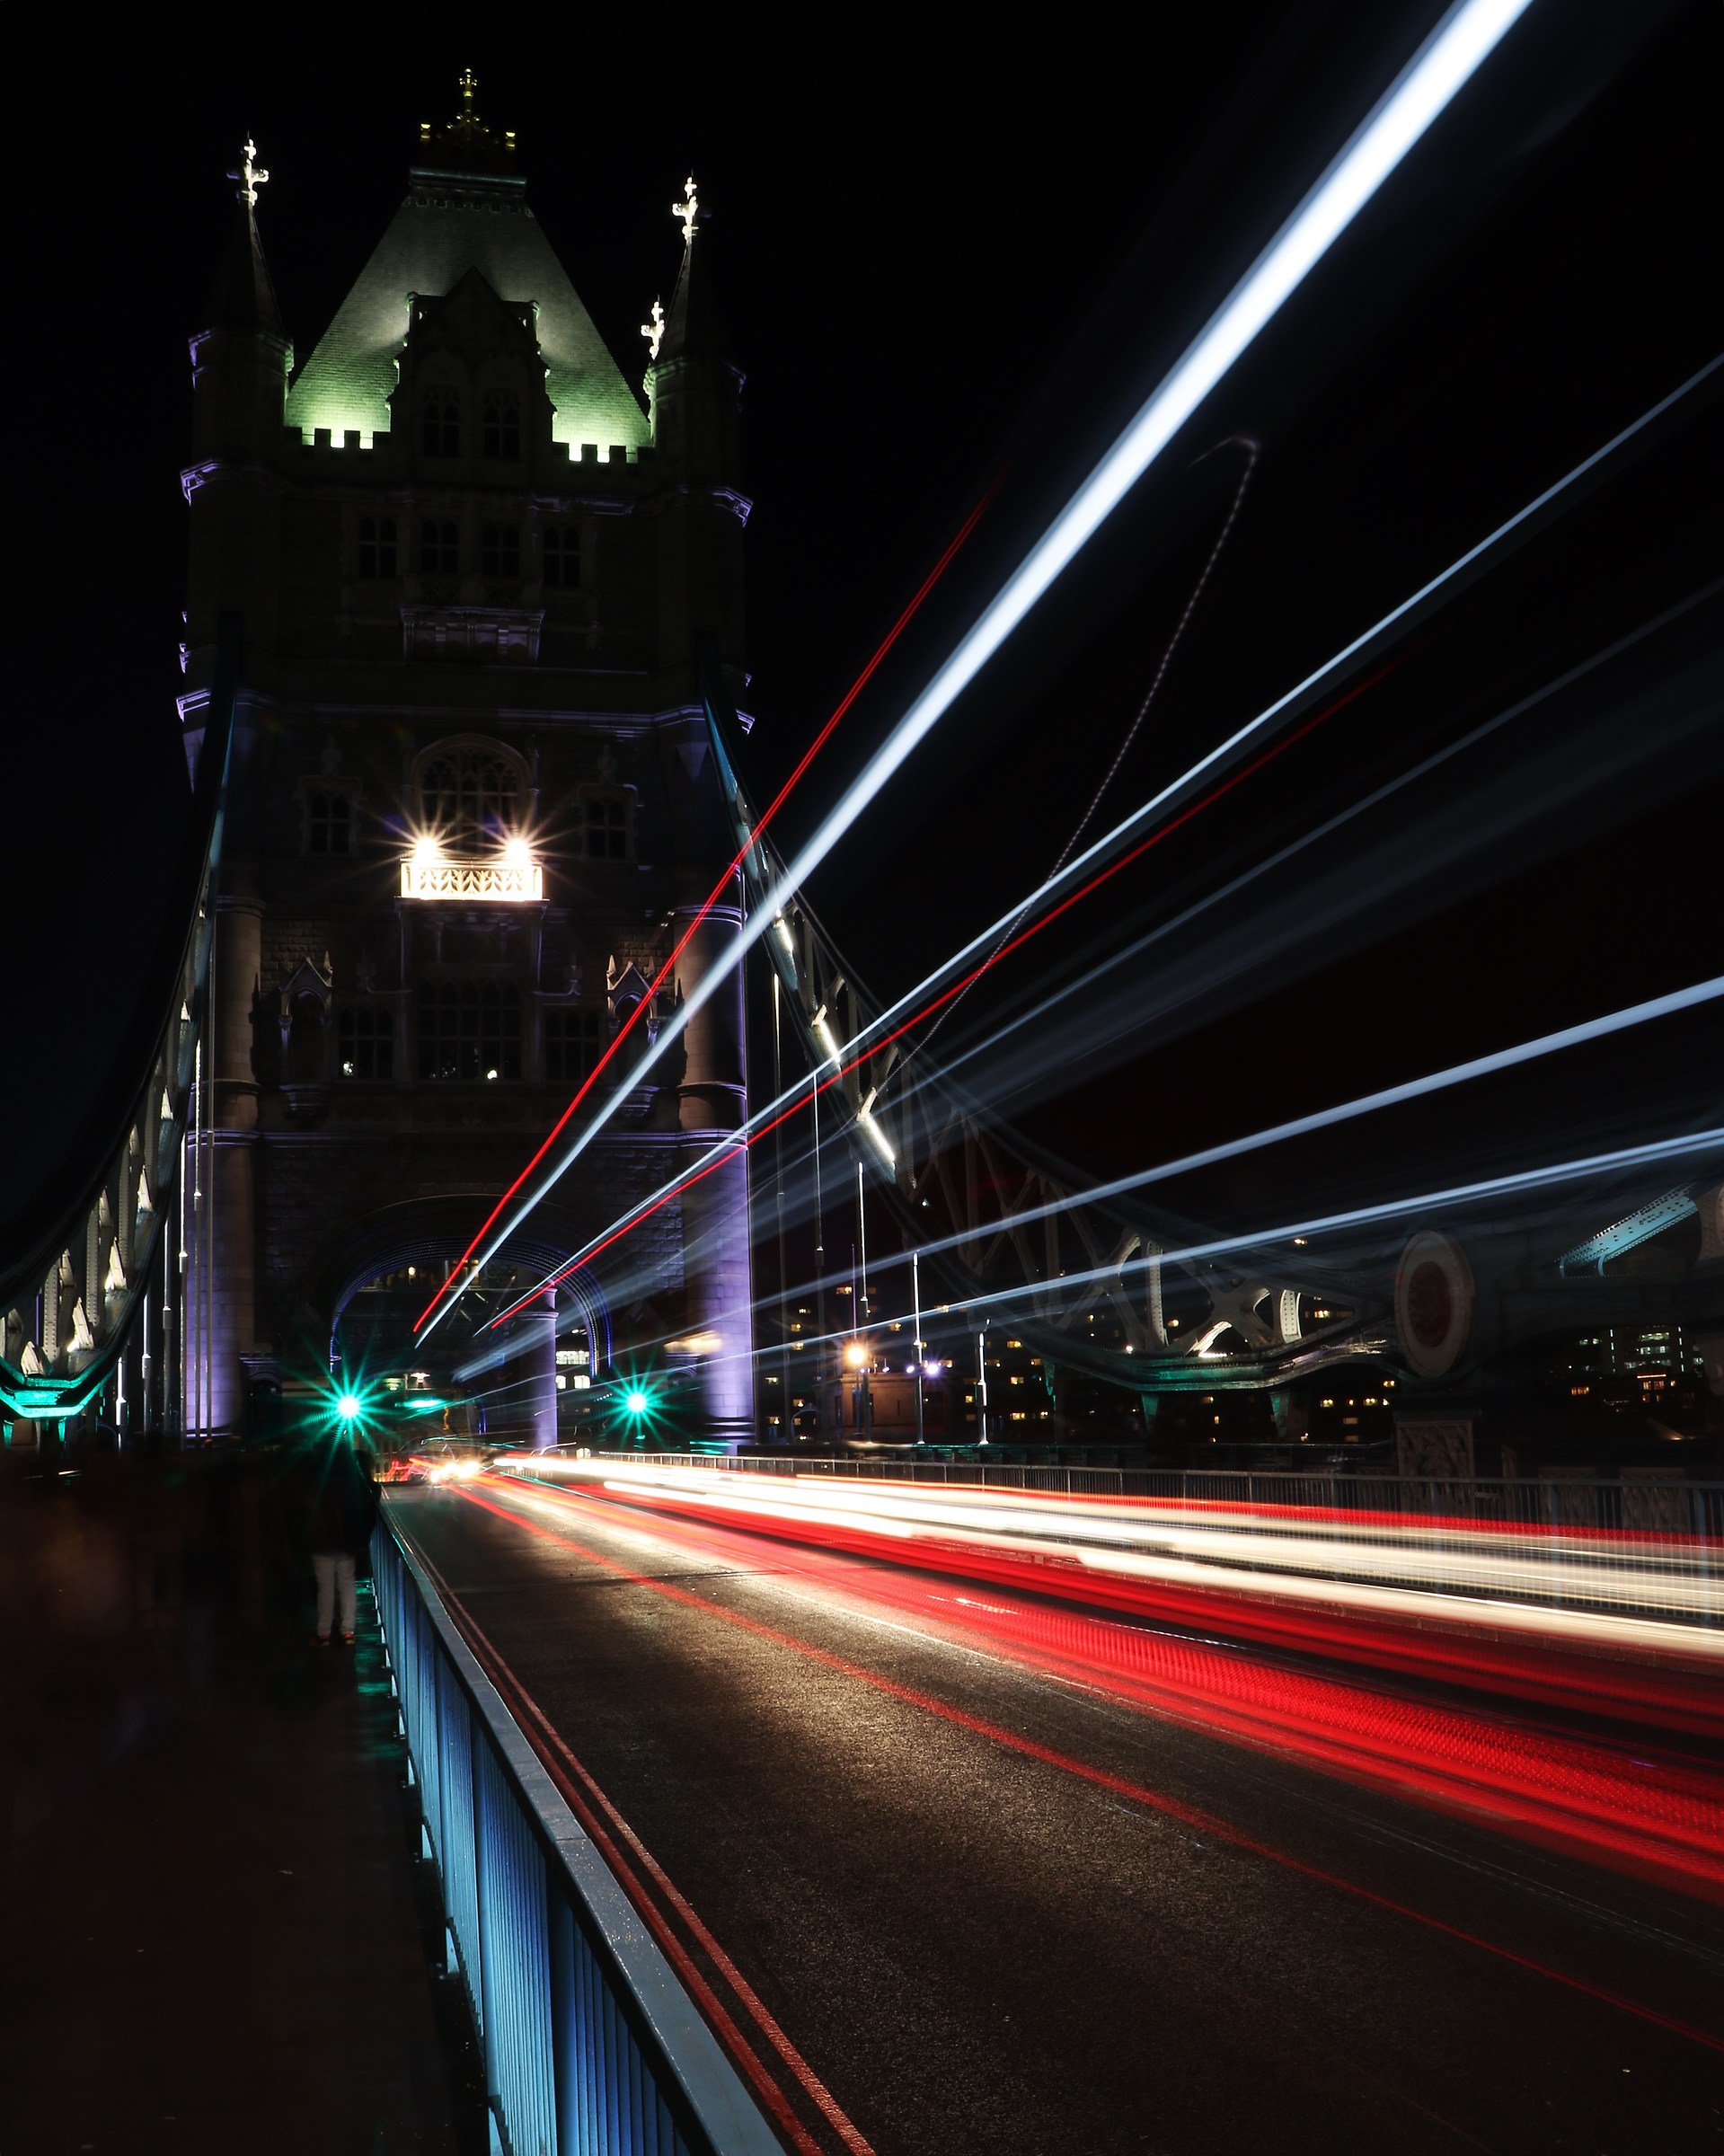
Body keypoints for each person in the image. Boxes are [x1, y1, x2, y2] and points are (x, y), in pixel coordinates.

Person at [301, 1430, 378, 1646]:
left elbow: (307, 1504)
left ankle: (323, 1633)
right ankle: (348, 1632)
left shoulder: (316, 1474)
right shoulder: (351, 1474)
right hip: (347, 1538)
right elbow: (363, 1504)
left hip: (322, 1538)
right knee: (347, 1584)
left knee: (324, 1586)